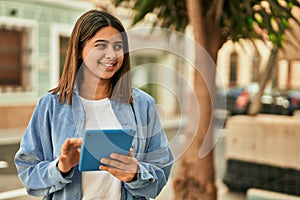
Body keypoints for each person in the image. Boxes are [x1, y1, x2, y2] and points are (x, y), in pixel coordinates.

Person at [14, 10, 173, 200]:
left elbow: (161, 168)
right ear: (80, 50)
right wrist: (61, 167)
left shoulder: (142, 105)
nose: (112, 55)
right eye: (101, 46)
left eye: (118, 46)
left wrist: (135, 174)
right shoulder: (51, 106)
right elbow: (27, 172)